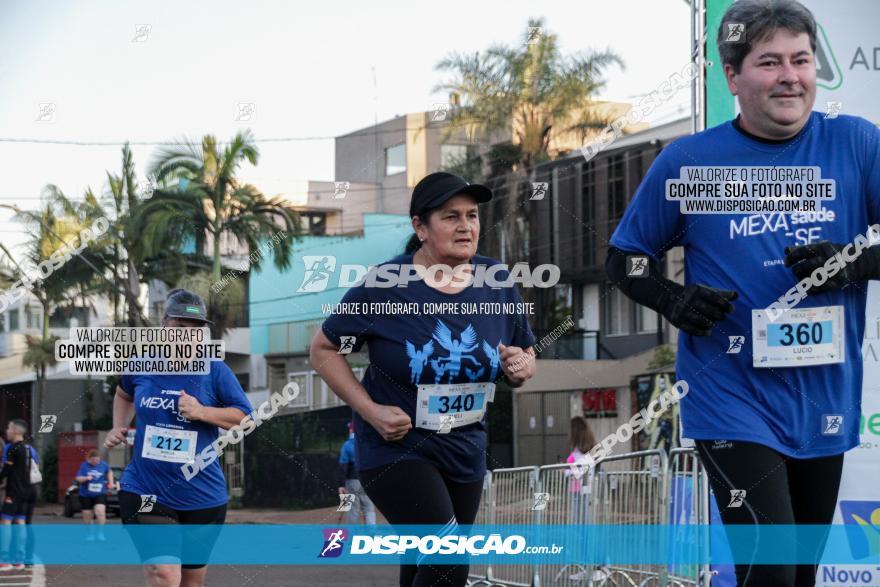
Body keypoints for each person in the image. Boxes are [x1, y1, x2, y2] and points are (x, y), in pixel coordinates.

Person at [605, 1, 880, 585]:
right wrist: (671, 300)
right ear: (732, 76)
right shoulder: (689, 160)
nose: (790, 75)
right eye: (769, 62)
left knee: (799, 571)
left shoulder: (857, 144)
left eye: (802, 60)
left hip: (823, 396)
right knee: (771, 570)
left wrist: (854, 263)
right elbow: (624, 260)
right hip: (730, 396)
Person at [311, 171, 537, 586]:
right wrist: (370, 410)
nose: (466, 226)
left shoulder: (496, 281)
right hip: (396, 447)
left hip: (466, 446)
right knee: (448, 559)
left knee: (424, 561)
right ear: (420, 227)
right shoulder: (385, 285)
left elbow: (523, 350)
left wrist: (521, 365)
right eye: (451, 217)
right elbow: (323, 350)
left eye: (472, 215)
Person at [104, 288, 253, 587]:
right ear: (164, 327)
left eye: (195, 330)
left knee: (191, 582)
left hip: (202, 494)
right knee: (165, 574)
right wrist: (118, 425)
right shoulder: (141, 364)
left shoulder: (215, 371)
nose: (187, 336)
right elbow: (123, 393)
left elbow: (245, 419)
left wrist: (202, 412)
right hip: (145, 488)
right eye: (179, 327)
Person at [0, 419, 37, 571]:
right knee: (21, 522)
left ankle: (4, 559)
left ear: (15, 430)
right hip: (28, 491)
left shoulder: (12, 449)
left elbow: (6, 472)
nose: (6, 431)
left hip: (14, 491)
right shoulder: (29, 449)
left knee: (5, 522)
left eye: (8, 428)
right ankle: (20, 559)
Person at [337, 421, 376, 526]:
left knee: (352, 509)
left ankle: (353, 536)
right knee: (368, 507)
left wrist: (341, 484)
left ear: (350, 430)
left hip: (352, 481)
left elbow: (343, 466)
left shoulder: (347, 445)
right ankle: (371, 534)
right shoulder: (369, 443)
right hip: (367, 479)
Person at [74, 449, 116, 541]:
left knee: (100, 511)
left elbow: (109, 471)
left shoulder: (103, 464)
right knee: (87, 514)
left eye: (97, 460)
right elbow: (78, 478)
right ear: (89, 459)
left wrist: (111, 482)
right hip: (85, 494)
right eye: (94, 460)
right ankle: (90, 534)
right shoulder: (84, 466)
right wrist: (85, 478)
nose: (96, 462)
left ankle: (101, 533)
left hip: (100, 493)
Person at [564, 416, 596, 525]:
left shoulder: (581, 452)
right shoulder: (582, 449)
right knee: (581, 520)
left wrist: (567, 472)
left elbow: (582, 469)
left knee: (580, 520)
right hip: (578, 489)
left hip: (580, 489)